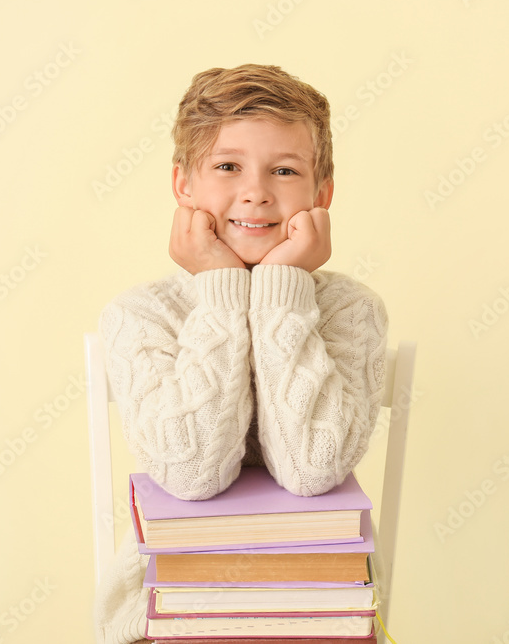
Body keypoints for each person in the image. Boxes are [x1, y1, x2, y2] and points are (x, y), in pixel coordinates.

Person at [93, 64, 388, 644]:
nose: (256, 192)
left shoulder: (352, 309)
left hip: (324, 609)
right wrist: (220, 291)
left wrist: (281, 291)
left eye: (285, 170)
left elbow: (313, 468)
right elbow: (190, 473)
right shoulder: (139, 314)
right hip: (170, 613)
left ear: (322, 193)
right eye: (228, 167)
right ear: (183, 185)